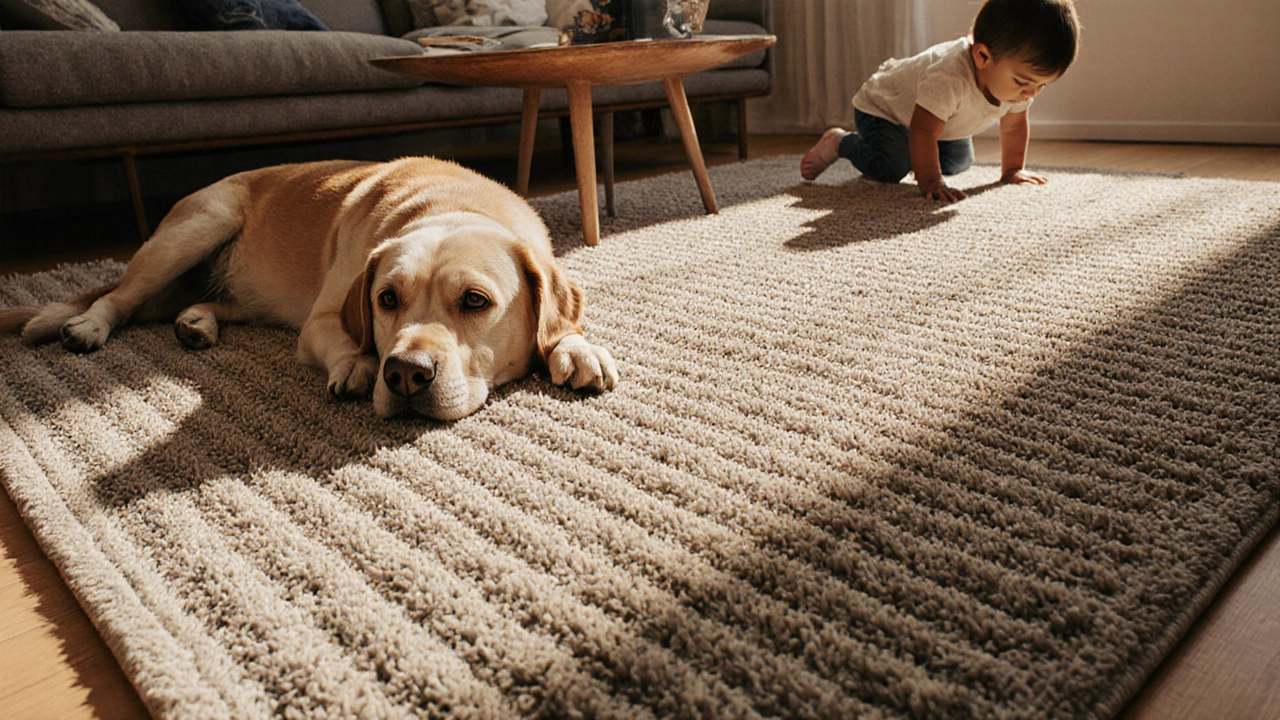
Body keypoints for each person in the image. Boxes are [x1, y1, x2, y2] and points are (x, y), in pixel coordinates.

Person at [800, 0, 1081, 202]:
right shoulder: (950, 77)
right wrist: (930, 181)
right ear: (982, 57)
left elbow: (1014, 126)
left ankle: (910, 152)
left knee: (958, 162)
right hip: (885, 110)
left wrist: (1012, 170)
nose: (1031, 93)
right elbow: (922, 129)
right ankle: (840, 141)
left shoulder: (1017, 83)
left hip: (936, 122)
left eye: (1042, 85)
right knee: (891, 167)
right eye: (1024, 83)